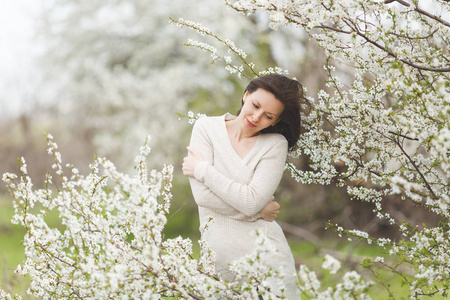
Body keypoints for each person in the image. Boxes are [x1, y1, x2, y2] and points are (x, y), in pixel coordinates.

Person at [182, 74, 303, 299]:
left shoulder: (275, 145)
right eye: (255, 105)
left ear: (275, 122)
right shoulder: (206, 128)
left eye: (268, 116)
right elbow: (203, 197)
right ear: (246, 95)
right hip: (217, 266)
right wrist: (257, 210)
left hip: (269, 267)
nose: (256, 117)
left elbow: (251, 201)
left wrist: (202, 170)